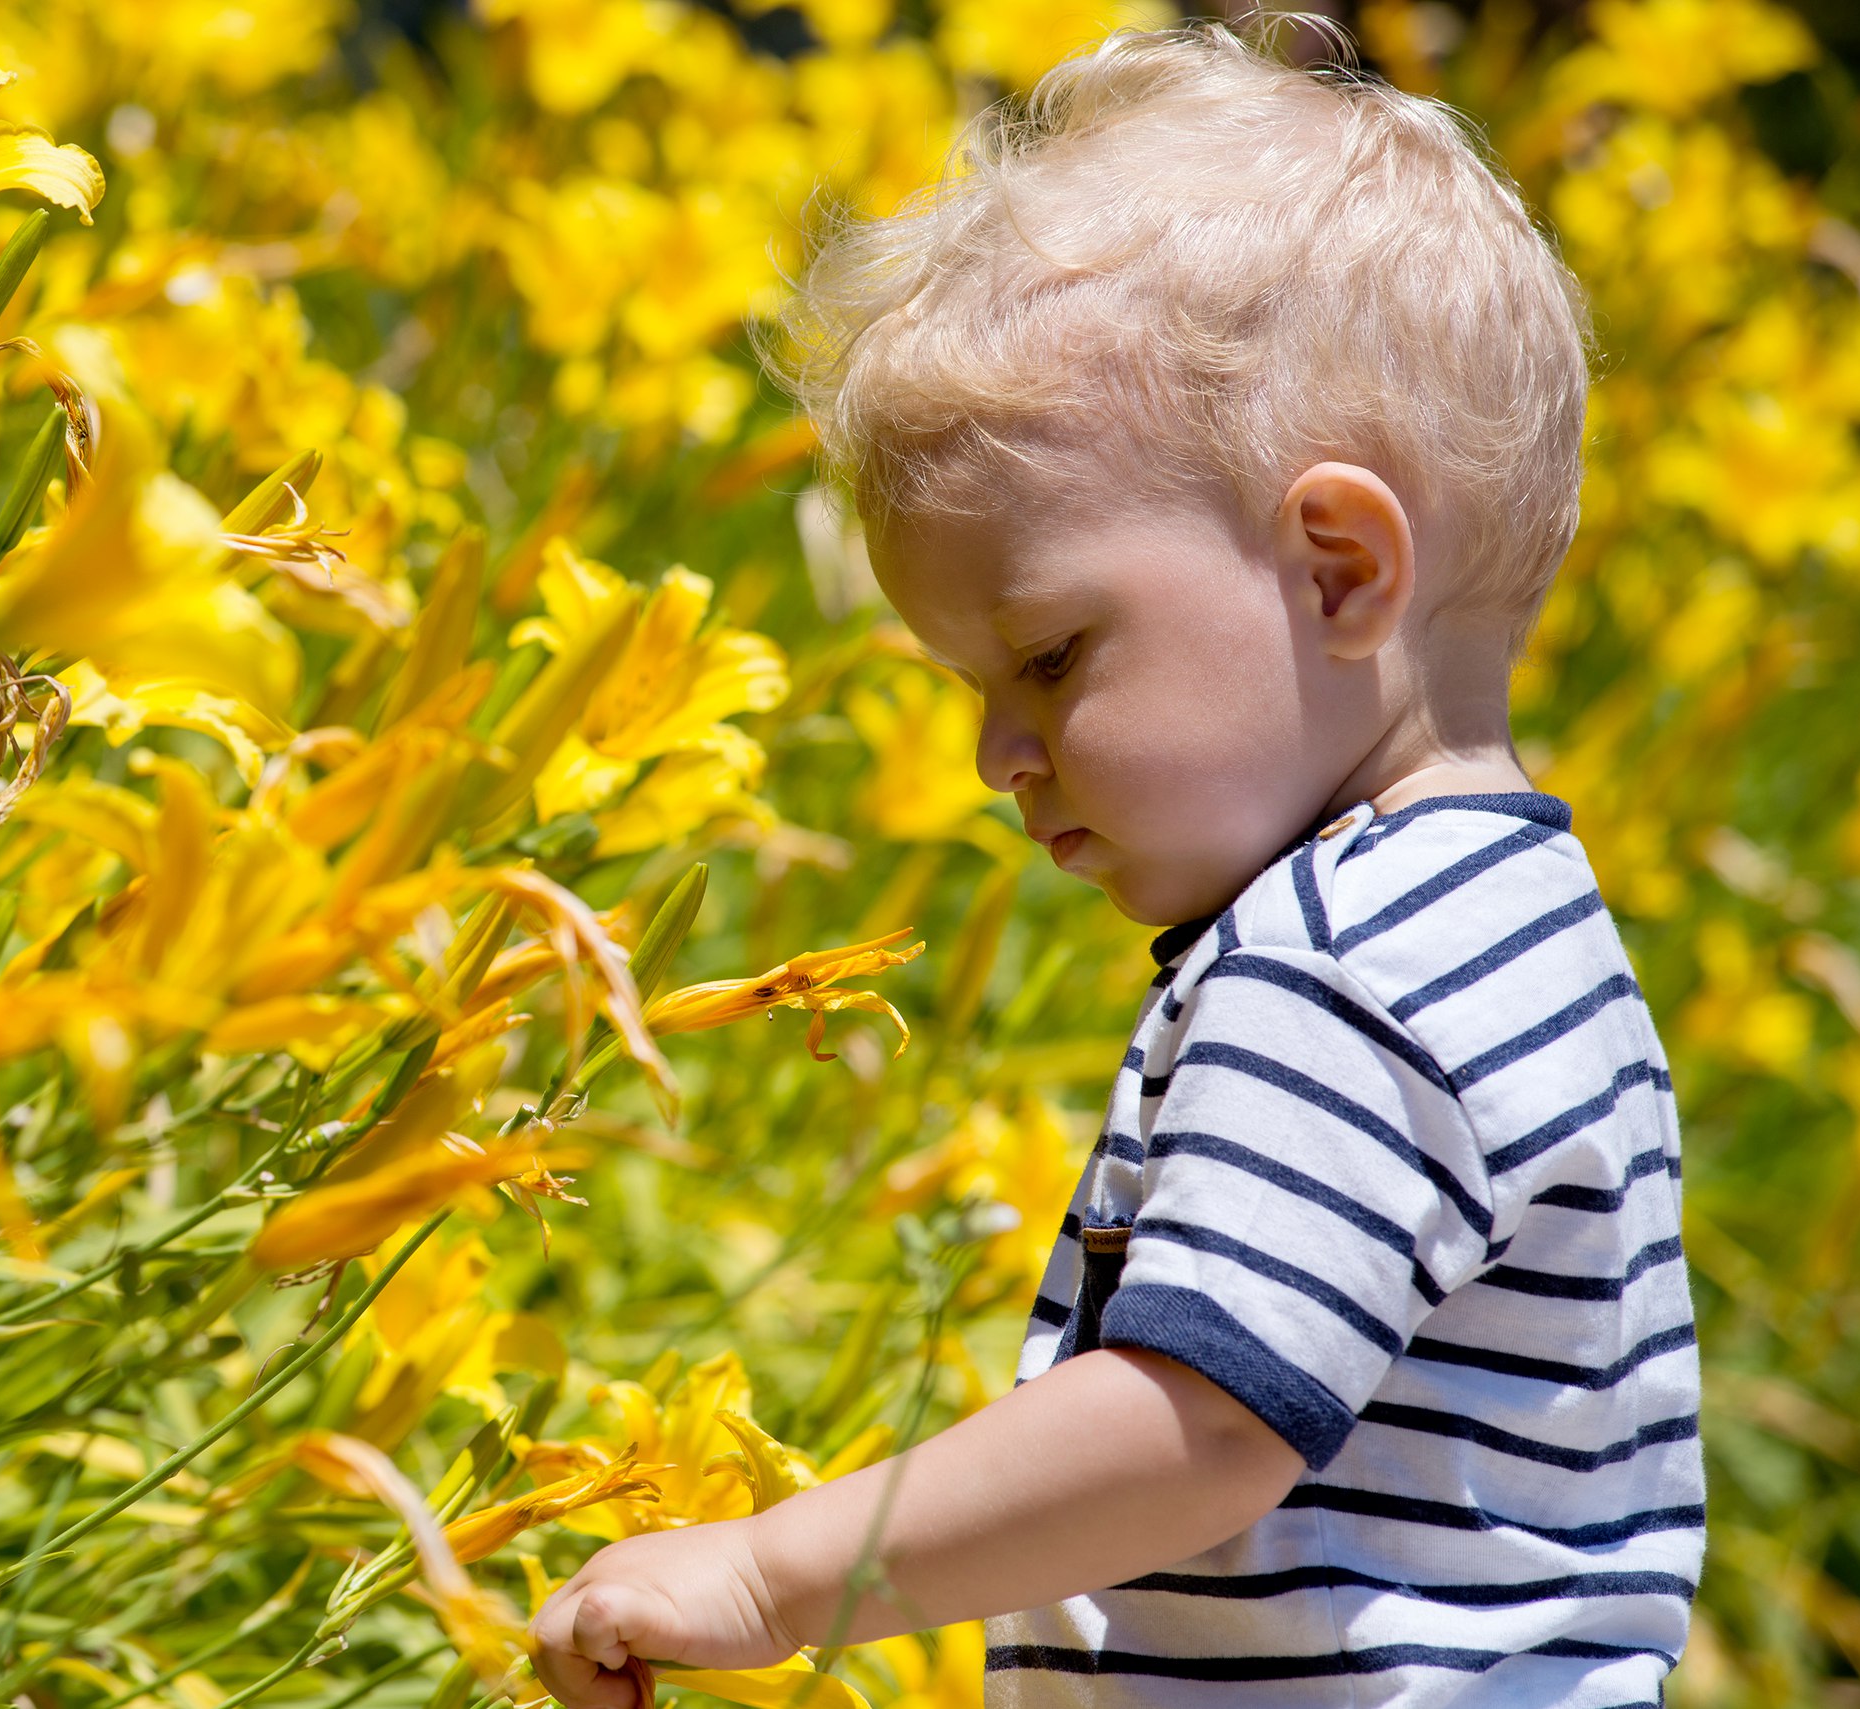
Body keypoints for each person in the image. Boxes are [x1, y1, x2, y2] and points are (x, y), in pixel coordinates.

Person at [528, 20, 1704, 1709]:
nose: (997, 753)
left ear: (1338, 567)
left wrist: (768, 1570)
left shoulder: (1342, 962)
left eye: (1054, 655)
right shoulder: (1519, 924)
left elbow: (1199, 1419)